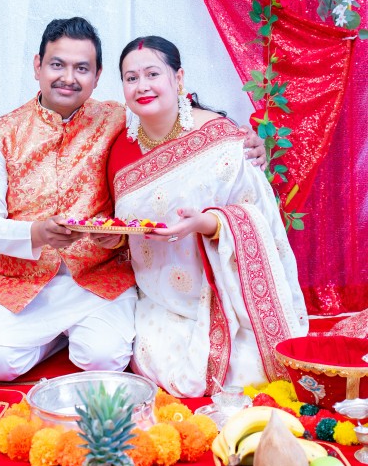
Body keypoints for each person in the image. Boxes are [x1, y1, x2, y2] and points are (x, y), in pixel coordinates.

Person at [0, 18, 267, 382]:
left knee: (104, 358)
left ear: (97, 76)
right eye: (57, 64)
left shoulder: (117, 117)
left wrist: (237, 140)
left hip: (99, 279)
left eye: (82, 68)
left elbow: (174, 119)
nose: (68, 78)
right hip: (23, 283)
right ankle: (54, 339)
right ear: (37, 66)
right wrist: (37, 233)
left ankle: (70, 337)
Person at [106, 35, 308, 397]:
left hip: (228, 296)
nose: (142, 86)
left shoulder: (220, 138)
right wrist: (113, 238)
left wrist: (205, 224)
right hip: (160, 297)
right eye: (131, 78)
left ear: (178, 78)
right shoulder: (118, 149)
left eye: (153, 74)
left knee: (251, 371)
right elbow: (124, 228)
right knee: (167, 366)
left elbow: (257, 217)